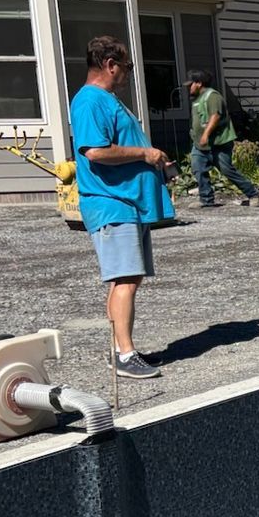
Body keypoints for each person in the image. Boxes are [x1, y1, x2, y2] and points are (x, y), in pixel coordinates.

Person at [71, 36, 173, 380]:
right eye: (126, 67)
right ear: (109, 65)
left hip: (127, 203)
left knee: (125, 279)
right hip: (111, 203)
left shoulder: (105, 99)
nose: (128, 74)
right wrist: (145, 153)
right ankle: (126, 355)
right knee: (125, 279)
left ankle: (119, 348)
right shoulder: (89, 101)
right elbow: (95, 152)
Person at [186, 69, 259, 209]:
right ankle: (206, 199)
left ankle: (253, 194)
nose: (189, 87)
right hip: (200, 145)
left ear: (199, 83)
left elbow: (215, 116)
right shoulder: (197, 99)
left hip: (218, 143)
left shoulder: (212, 97)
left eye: (191, 84)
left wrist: (205, 134)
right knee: (198, 168)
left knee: (227, 170)